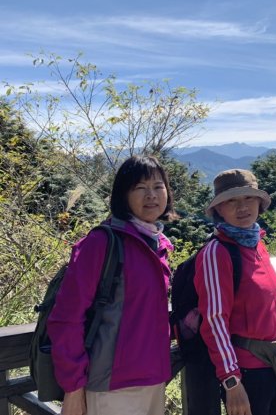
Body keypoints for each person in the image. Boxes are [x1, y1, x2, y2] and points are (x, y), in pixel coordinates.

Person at [47, 155, 176, 415]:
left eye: (157, 186)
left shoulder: (157, 243)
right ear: (123, 195)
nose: (151, 195)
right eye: (140, 188)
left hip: (154, 378)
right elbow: (66, 318)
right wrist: (73, 388)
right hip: (111, 386)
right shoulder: (101, 244)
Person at [194, 169, 276, 415]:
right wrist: (232, 382)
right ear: (219, 210)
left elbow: (268, 296)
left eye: (248, 198)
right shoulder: (217, 253)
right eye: (231, 201)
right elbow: (214, 322)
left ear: (259, 203)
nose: (242, 207)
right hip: (246, 373)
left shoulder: (256, 243)